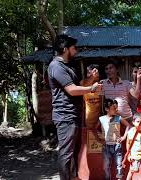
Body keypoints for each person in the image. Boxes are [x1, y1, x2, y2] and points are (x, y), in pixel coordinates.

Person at [47, 34, 102, 180]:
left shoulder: (68, 65)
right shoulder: (56, 66)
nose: (76, 50)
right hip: (65, 115)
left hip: (74, 115)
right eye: (73, 48)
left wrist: (90, 79)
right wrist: (92, 88)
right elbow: (72, 90)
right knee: (66, 153)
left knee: (73, 151)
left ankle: (73, 176)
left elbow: (79, 86)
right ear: (65, 49)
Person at [95, 99, 131, 180]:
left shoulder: (119, 118)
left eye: (116, 108)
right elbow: (95, 129)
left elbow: (128, 125)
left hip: (117, 145)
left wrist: (124, 137)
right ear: (107, 109)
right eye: (113, 108)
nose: (116, 110)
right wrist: (98, 138)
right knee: (106, 166)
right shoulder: (102, 119)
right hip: (106, 146)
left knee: (119, 165)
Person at [126, 113, 141, 180]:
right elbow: (128, 144)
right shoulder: (130, 132)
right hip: (134, 155)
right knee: (132, 170)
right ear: (133, 122)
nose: (140, 124)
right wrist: (129, 155)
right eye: (138, 122)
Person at [80, 64, 102, 128]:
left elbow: (102, 106)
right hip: (87, 122)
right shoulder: (83, 84)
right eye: (89, 73)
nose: (90, 75)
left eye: (93, 72)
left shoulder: (101, 85)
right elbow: (82, 107)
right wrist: (82, 124)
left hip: (99, 121)